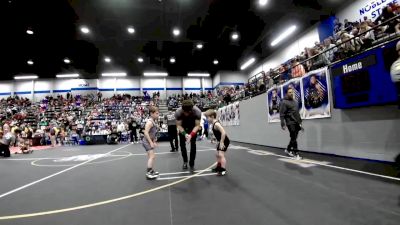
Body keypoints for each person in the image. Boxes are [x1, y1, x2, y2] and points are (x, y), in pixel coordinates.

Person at [175, 100, 202, 172]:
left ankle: (192, 161)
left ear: (191, 110)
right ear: (182, 110)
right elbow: (179, 125)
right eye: (185, 112)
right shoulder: (178, 112)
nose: (186, 114)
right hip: (183, 127)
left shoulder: (197, 112)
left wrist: (191, 135)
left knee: (193, 145)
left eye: (188, 112)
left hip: (192, 127)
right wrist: (185, 134)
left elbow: (197, 126)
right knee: (182, 145)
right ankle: (185, 161)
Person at [280, 87, 303, 160]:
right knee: (293, 135)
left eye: (292, 92)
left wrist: (300, 122)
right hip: (290, 122)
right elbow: (282, 114)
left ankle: (288, 149)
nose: (291, 93)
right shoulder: (284, 102)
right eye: (289, 92)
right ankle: (296, 153)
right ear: (287, 93)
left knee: (294, 137)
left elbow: (297, 113)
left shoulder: (295, 102)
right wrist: (283, 124)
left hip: (296, 122)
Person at [205, 109, 229, 176]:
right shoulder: (213, 124)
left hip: (224, 141)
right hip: (221, 140)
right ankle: (218, 167)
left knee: (221, 155)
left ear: (212, 116)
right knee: (217, 154)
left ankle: (223, 170)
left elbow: (223, 132)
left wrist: (221, 142)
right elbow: (218, 134)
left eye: (207, 117)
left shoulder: (216, 124)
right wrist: (217, 141)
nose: (206, 119)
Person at [142, 106, 160, 180]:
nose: (158, 115)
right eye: (156, 113)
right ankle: (149, 173)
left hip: (149, 141)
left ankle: (151, 171)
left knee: (151, 156)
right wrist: (150, 142)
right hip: (146, 141)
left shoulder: (153, 121)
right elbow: (146, 133)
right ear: (152, 114)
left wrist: (153, 141)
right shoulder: (149, 122)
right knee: (152, 156)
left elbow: (152, 133)